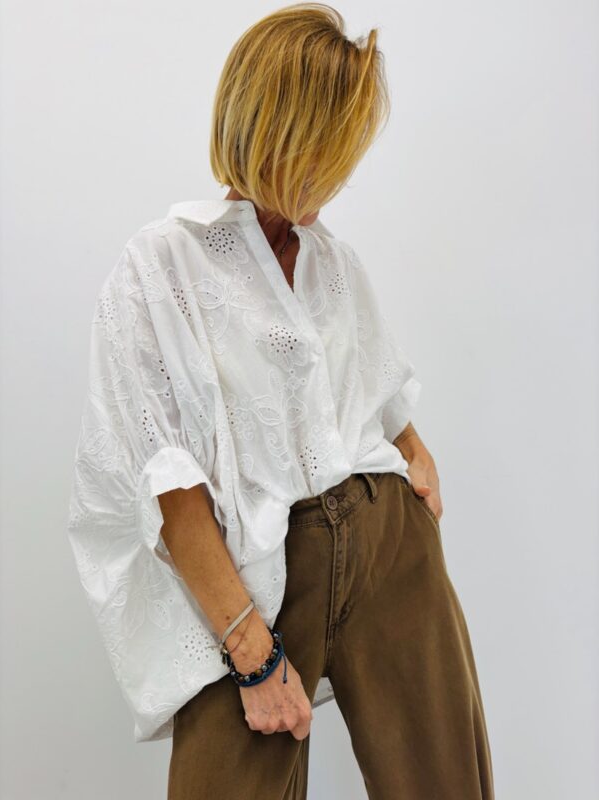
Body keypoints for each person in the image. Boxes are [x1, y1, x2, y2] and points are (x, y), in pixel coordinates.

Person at [66, 3, 495, 798]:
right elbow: (170, 487)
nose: (341, 175)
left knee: (447, 784)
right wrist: (252, 654)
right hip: (251, 581)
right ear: (278, 134)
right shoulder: (161, 266)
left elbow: (378, 392)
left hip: (389, 547)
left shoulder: (335, 262)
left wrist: (415, 454)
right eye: (329, 152)